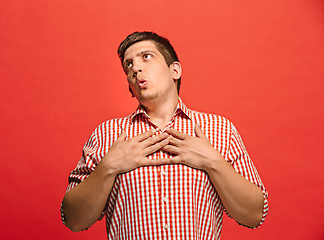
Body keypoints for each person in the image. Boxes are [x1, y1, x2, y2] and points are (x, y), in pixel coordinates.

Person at [61, 31, 268, 239]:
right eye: (128, 65)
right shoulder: (107, 135)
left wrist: (212, 161)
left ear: (175, 70)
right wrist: (108, 166)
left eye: (146, 57)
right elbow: (73, 219)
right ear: (130, 88)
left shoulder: (219, 130)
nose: (136, 68)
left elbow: (254, 215)